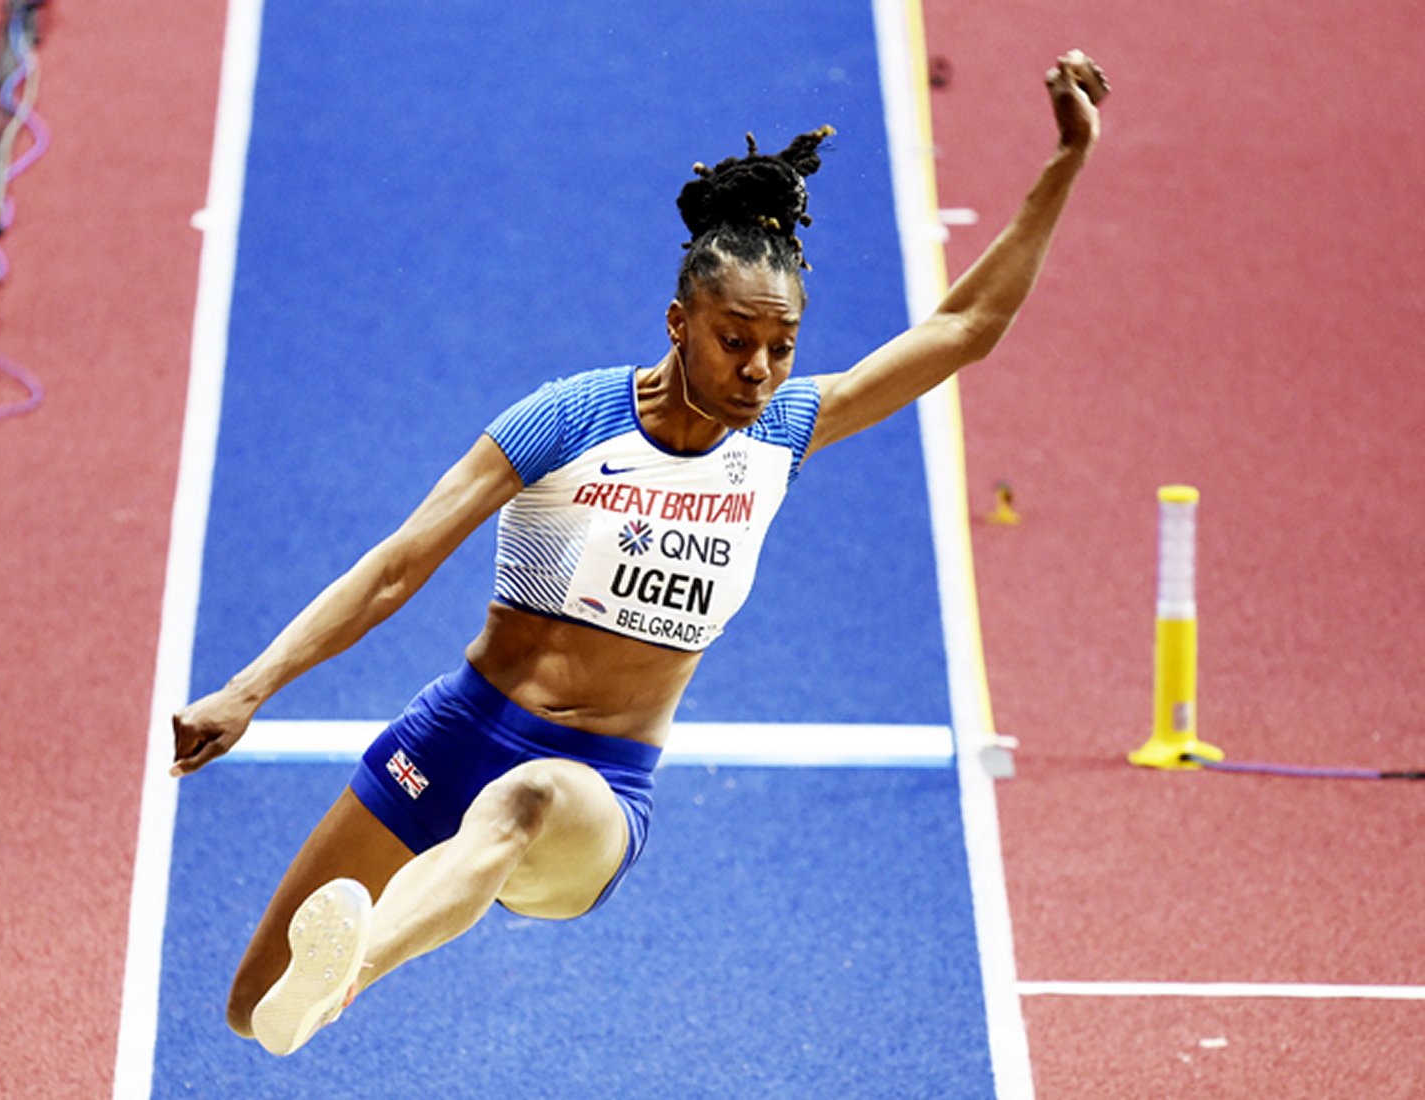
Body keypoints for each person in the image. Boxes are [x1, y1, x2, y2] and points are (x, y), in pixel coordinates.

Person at [171, 50, 1110, 1056]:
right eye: (731, 337)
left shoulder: (782, 432)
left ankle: (348, 970)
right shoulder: (570, 419)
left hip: (594, 781)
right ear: (677, 321)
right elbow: (400, 562)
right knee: (251, 1006)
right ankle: (317, 979)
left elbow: (965, 325)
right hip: (457, 728)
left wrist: (1066, 155)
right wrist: (248, 687)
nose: (756, 367)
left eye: (779, 344)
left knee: (521, 800)